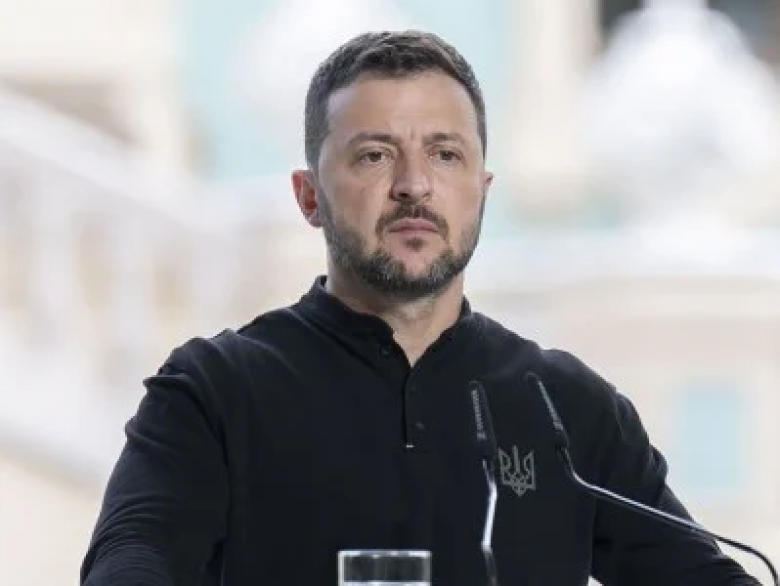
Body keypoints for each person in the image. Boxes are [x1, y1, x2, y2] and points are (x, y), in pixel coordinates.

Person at [80, 31, 761, 586]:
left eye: (445, 154)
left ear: (482, 189)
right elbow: (133, 557)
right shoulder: (213, 392)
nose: (414, 185)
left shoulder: (565, 408)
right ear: (309, 196)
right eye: (375, 155)